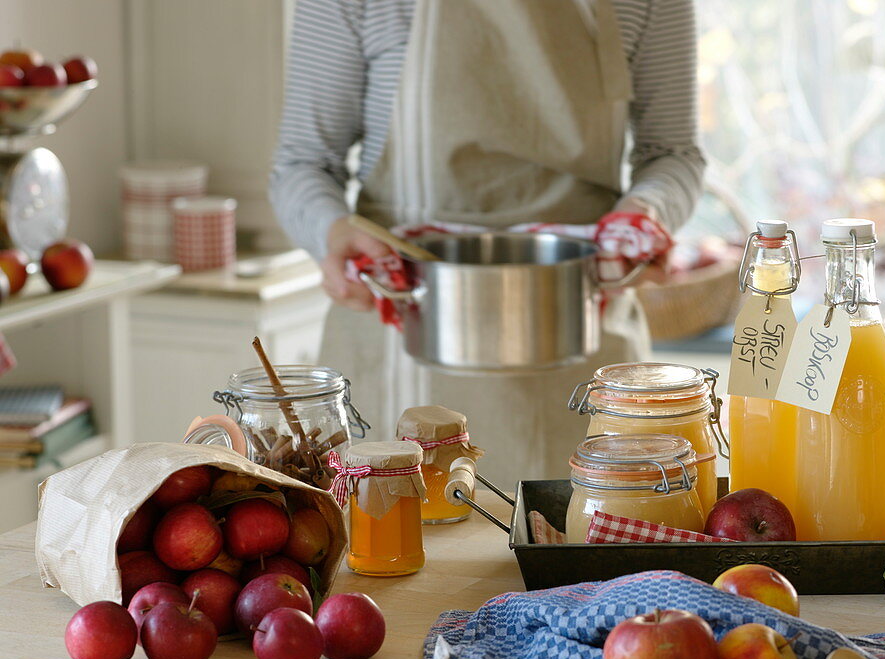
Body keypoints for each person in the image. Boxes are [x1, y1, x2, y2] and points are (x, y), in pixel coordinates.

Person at [270, 0, 705, 485]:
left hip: (586, 340)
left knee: (582, 540)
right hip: (397, 334)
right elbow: (303, 163)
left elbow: (672, 154)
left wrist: (646, 213)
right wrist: (332, 230)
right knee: (396, 549)